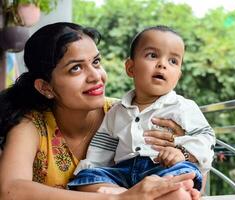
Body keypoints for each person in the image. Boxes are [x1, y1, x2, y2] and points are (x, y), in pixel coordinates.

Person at [0, 22, 201, 200]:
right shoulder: (32, 124)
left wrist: (183, 150)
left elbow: (194, 173)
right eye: (76, 68)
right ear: (45, 87)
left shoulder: (127, 112)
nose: (96, 76)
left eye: (96, 62)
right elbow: (10, 190)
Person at [68, 25, 215, 196]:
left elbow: (206, 137)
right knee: (86, 178)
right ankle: (126, 194)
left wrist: (181, 151)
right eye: (152, 56)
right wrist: (93, 170)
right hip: (122, 173)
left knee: (183, 174)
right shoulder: (116, 111)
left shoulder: (183, 107)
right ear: (131, 68)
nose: (162, 65)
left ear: (178, 76)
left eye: (173, 61)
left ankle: (164, 193)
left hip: (163, 169)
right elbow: (102, 148)